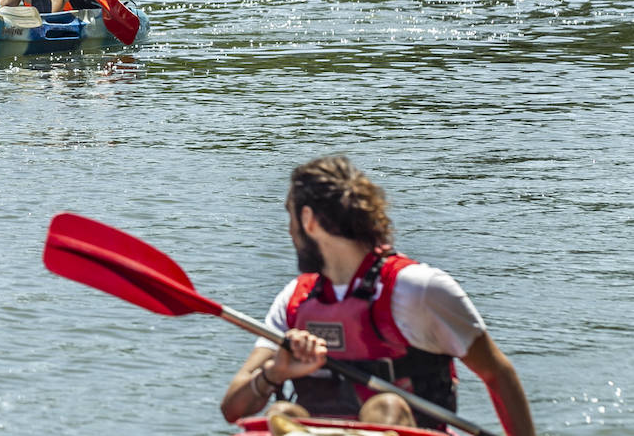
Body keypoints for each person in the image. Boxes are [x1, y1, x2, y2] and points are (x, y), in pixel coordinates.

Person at [219, 156, 535, 436]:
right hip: (315, 429)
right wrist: (275, 373)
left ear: (308, 221)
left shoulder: (418, 289)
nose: (289, 232)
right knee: (282, 414)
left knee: (385, 408)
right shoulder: (295, 300)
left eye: (290, 218)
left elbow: (497, 373)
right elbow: (233, 409)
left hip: (402, 428)